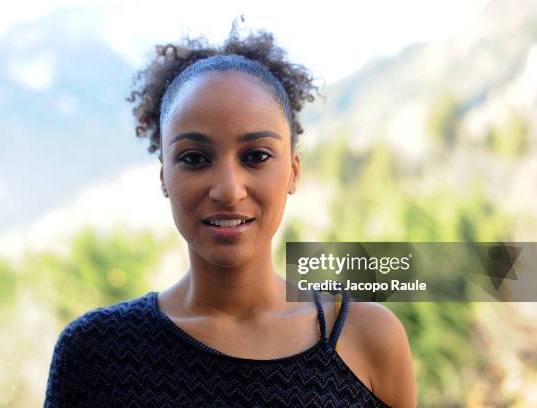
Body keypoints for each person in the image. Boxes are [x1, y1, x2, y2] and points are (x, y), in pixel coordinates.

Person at [44, 21, 417, 408]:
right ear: (164, 177)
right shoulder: (97, 353)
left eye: (256, 156)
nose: (228, 189)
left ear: (293, 171)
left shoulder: (367, 338)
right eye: (194, 158)